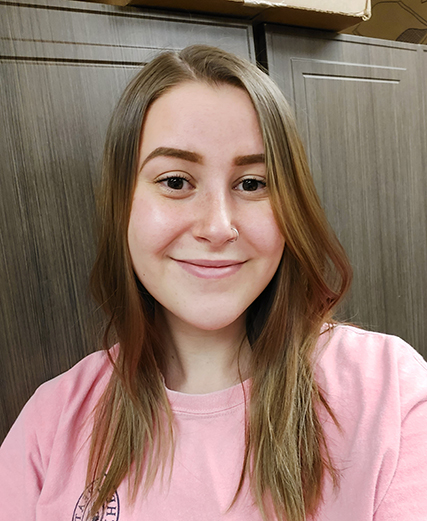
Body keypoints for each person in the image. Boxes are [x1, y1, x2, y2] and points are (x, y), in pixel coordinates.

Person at [0, 45, 426, 521]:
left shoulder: (390, 394)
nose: (219, 226)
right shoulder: (51, 422)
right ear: (123, 203)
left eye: (251, 184)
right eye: (177, 181)